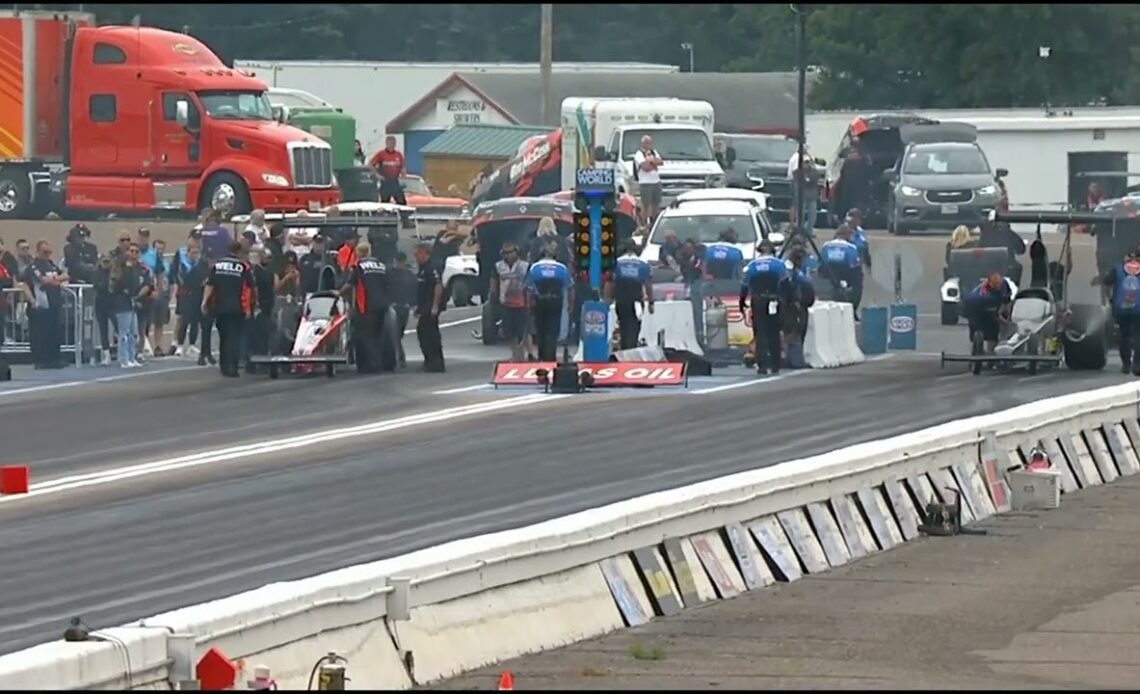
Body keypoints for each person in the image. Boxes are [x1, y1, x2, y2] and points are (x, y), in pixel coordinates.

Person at [202, 241, 255, 377]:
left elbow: (210, 285)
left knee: (224, 336)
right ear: (238, 252)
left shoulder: (217, 265)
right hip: (237, 308)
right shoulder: (243, 267)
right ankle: (232, 366)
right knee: (234, 337)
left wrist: (204, 302)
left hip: (219, 307)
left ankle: (224, 365)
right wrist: (248, 308)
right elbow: (247, 289)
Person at [343, 241, 396, 374]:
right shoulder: (381, 265)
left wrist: (338, 293)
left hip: (366, 306)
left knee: (366, 336)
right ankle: (381, 362)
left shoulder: (358, 266)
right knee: (379, 335)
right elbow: (389, 284)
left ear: (359, 253)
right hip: (383, 306)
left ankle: (372, 366)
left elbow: (350, 284)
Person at [18, 241, 69, 369]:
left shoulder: (51, 264)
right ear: (38, 252)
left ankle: (54, 359)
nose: (47, 255)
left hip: (53, 303)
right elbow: (42, 280)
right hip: (39, 306)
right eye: (44, 252)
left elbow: (66, 275)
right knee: (40, 334)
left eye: (49, 252)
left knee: (54, 332)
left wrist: (55, 280)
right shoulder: (34, 266)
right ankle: (41, 360)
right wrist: (56, 280)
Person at [740, 240, 788, 375]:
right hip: (774, 299)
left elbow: (744, 286)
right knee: (774, 331)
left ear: (759, 251)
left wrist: (742, 301)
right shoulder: (778, 264)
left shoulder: (752, 265)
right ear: (773, 250)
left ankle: (761, 365)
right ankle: (775, 364)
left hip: (758, 300)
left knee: (760, 332)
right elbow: (785, 284)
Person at [527, 246, 573, 362]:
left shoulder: (534, 267)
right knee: (553, 331)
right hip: (556, 301)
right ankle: (550, 357)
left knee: (540, 329)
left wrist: (528, 304)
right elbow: (570, 288)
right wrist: (571, 305)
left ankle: (542, 356)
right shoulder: (561, 268)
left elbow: (529, 289)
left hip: (540, 301)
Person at [108, 243, 150, 369]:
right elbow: (118, 285)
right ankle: (124, 359)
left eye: (136, 251)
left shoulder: (139, 268)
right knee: (124, 333)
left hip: (133, 303)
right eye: (131, 251)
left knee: (134, 332)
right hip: (122, 302)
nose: (134, 254)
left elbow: (142, 283)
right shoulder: (121, 267)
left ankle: (132, 357)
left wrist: (137, 296)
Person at [609, 243, 654, 350]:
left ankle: (624, 348)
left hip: (621, 300)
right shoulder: (643, 263)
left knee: (623, 324)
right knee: (635, 325)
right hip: (637, 300)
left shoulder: (616, 263)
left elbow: (610, 283)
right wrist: (651, 302)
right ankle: (632, 348)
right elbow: (648, 285)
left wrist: (608, 300)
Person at [1102, 250, 1140, 375]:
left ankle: (1126, 365)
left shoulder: (1117, 269)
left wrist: (1110, 298)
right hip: (1138, 309)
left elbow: (1106, 283)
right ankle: (1137, 365)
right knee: (1138, 336)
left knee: (1124, 336)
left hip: (1121, 308)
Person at [491, 243, 531, 361]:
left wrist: (530, 301)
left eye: (511, 252)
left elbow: (529, 284)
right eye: (506, 253)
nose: (509, 255)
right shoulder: (498, 266)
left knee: (523, 330)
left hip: (522, 302)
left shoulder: (525, 266)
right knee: (509, 331)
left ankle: (527, 353)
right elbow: (494, 282)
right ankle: (515, 354)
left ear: (516, 252)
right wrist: (494, 297)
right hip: (505, 302)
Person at [963, 271, 1014, 357]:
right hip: (973, 309)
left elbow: (1007, 302)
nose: (998, 286)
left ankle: (990, 353)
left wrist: (1009, 316)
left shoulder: (1004, 284)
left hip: (983, 305)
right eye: (995, 285)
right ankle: (980, 356)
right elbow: (996, 317)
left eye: (999, 284)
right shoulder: (987, 297)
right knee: (984, 332)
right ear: (989, 283)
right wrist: (1008, 324)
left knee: (992, 331)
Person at [413, 242, 445, 372]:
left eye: (417, 254)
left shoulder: (432, 266)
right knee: (423, 332)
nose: (415, 256)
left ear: (424, 253)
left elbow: (438, 286)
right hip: (424, 305)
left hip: (431, 306)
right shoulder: (422, 267)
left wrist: (435, 306)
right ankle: (430, 361)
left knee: (430, 334)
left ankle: (435, 362)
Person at [247, 248, 277, 368]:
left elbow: (274, 288)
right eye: (266, 257)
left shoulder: (270, 272)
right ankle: (253, 361)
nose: (268, 260)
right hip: (258, 306)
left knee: (265, 334)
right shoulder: (255, 271)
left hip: (268, 306)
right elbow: (253, 289)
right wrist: (255, 305)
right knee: (255, 335)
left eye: (269, 258)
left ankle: (263, 359)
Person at [819, 225, 862, 309]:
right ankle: (853, 307)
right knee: (858, 278)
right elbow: (856, 265)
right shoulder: (851, 247)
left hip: (828, 274)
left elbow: (820, 263)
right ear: (847, 235)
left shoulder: (825, 246)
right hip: (846, 272)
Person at [787, 146, 822, 237]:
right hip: (801, 196)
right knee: (800, 216)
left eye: (808, 162)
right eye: (804, 162)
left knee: (812, 215)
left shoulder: (815, 172)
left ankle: (809, 232)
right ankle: (799, 231)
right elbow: (798, 182)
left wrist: (807, 181)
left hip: (812, 196)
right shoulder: (797, 172)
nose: (806, 164)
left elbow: (813, 181)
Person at [389, 252, 417, 368]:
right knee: (394, 333)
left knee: (399, 333)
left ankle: (398, 356)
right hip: (394, 306)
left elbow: (413, 289)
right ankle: (400, 357)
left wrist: (412, 304)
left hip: (404, 306)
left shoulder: (408, 274)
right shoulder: (390, 273)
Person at [633, 135, 664, 228]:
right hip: (645, 183)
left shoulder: (654, 152)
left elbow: (660, 162)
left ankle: (654, 224)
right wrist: (653, 165)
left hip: (656, 182)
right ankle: (643, 225)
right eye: (646, 142)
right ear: (642, 143)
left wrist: (652, 162)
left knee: (656, 204)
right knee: (647, 206)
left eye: (650, 142)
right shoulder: (639, 154)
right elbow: (645, 167)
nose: (648, 144)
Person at [370, 135, 408, 205]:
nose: (392, 145)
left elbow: (403, 166)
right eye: (390, 143)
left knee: (401, 202)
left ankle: (402, 215)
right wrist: (377, 175)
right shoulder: (381, 154)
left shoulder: (398, 154)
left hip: (395, 181)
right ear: (386, 143)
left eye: (393, 143)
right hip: (385, 181)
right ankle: (385, 215)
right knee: (385, 203)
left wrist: (403, 174)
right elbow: (370, 164)